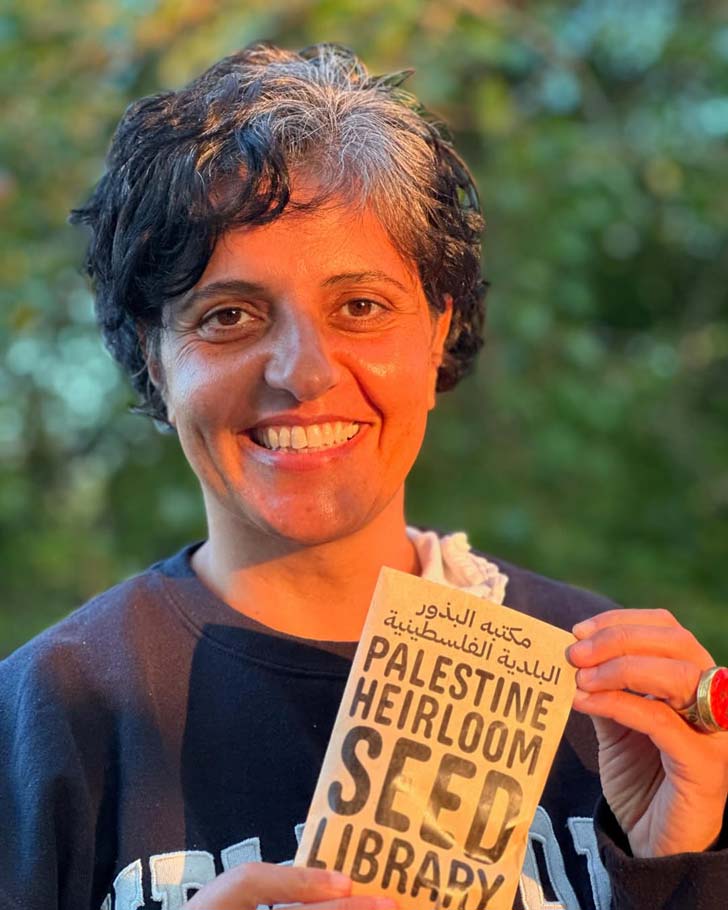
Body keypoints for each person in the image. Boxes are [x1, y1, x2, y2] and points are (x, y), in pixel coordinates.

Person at [0, 41, 726, 910]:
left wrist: (684, 868)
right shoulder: (45, 718)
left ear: (436, 328)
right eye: (229, 315)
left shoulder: (614, 707)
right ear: (154, 360)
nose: (304, 372)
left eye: (361, 307)